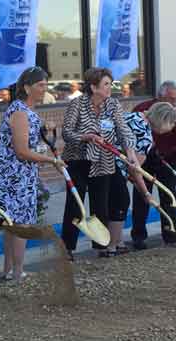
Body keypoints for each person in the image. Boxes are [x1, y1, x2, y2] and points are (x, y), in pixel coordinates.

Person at [0, 66, 65, 280]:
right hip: (14, 174)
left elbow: (31, 134)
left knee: (12, 224)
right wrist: (51, 160)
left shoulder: (27, 110)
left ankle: (9, 271)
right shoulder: (20, 111)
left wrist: (45, 126)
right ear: (27, 88)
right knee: (20, 223)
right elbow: (21, 151)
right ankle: (18, 272)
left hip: (19, 172)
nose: (44, 89)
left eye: (45, 85)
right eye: (40, 85)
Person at [61, 67, 137, 261]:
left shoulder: (113, 105)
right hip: (78, 160)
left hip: (103, 160)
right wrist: (86, 136)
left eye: (110, 84)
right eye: (106, 84)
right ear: (94, 87)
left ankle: (101, 246)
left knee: (100, 203)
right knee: (75, 205)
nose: (110, 88)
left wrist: (130, 152)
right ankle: (67, 248)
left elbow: (123, 130)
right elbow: (67, 133)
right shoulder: (77, 104)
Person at [105, 102, 176, 256]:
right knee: (121, 203)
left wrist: (135, 181)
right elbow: (134, 168)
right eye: (171, 124)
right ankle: (111, 247)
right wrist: (146, 193)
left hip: (100, 162)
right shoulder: (145, 135)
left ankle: (117, 242)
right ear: (163, 120)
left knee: (113, 203)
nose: (170, 129)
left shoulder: (133, 116)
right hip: (113, 167)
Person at [130, 80, 176, 249]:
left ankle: (170, 234)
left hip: (167, 158)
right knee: (142, 194)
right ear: (159, 97)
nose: (175, 104)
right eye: (171, 99)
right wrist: (133, 170)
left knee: (168, 196)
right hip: (143, 156)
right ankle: (138, 236)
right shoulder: (142, 110)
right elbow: (130, 142)